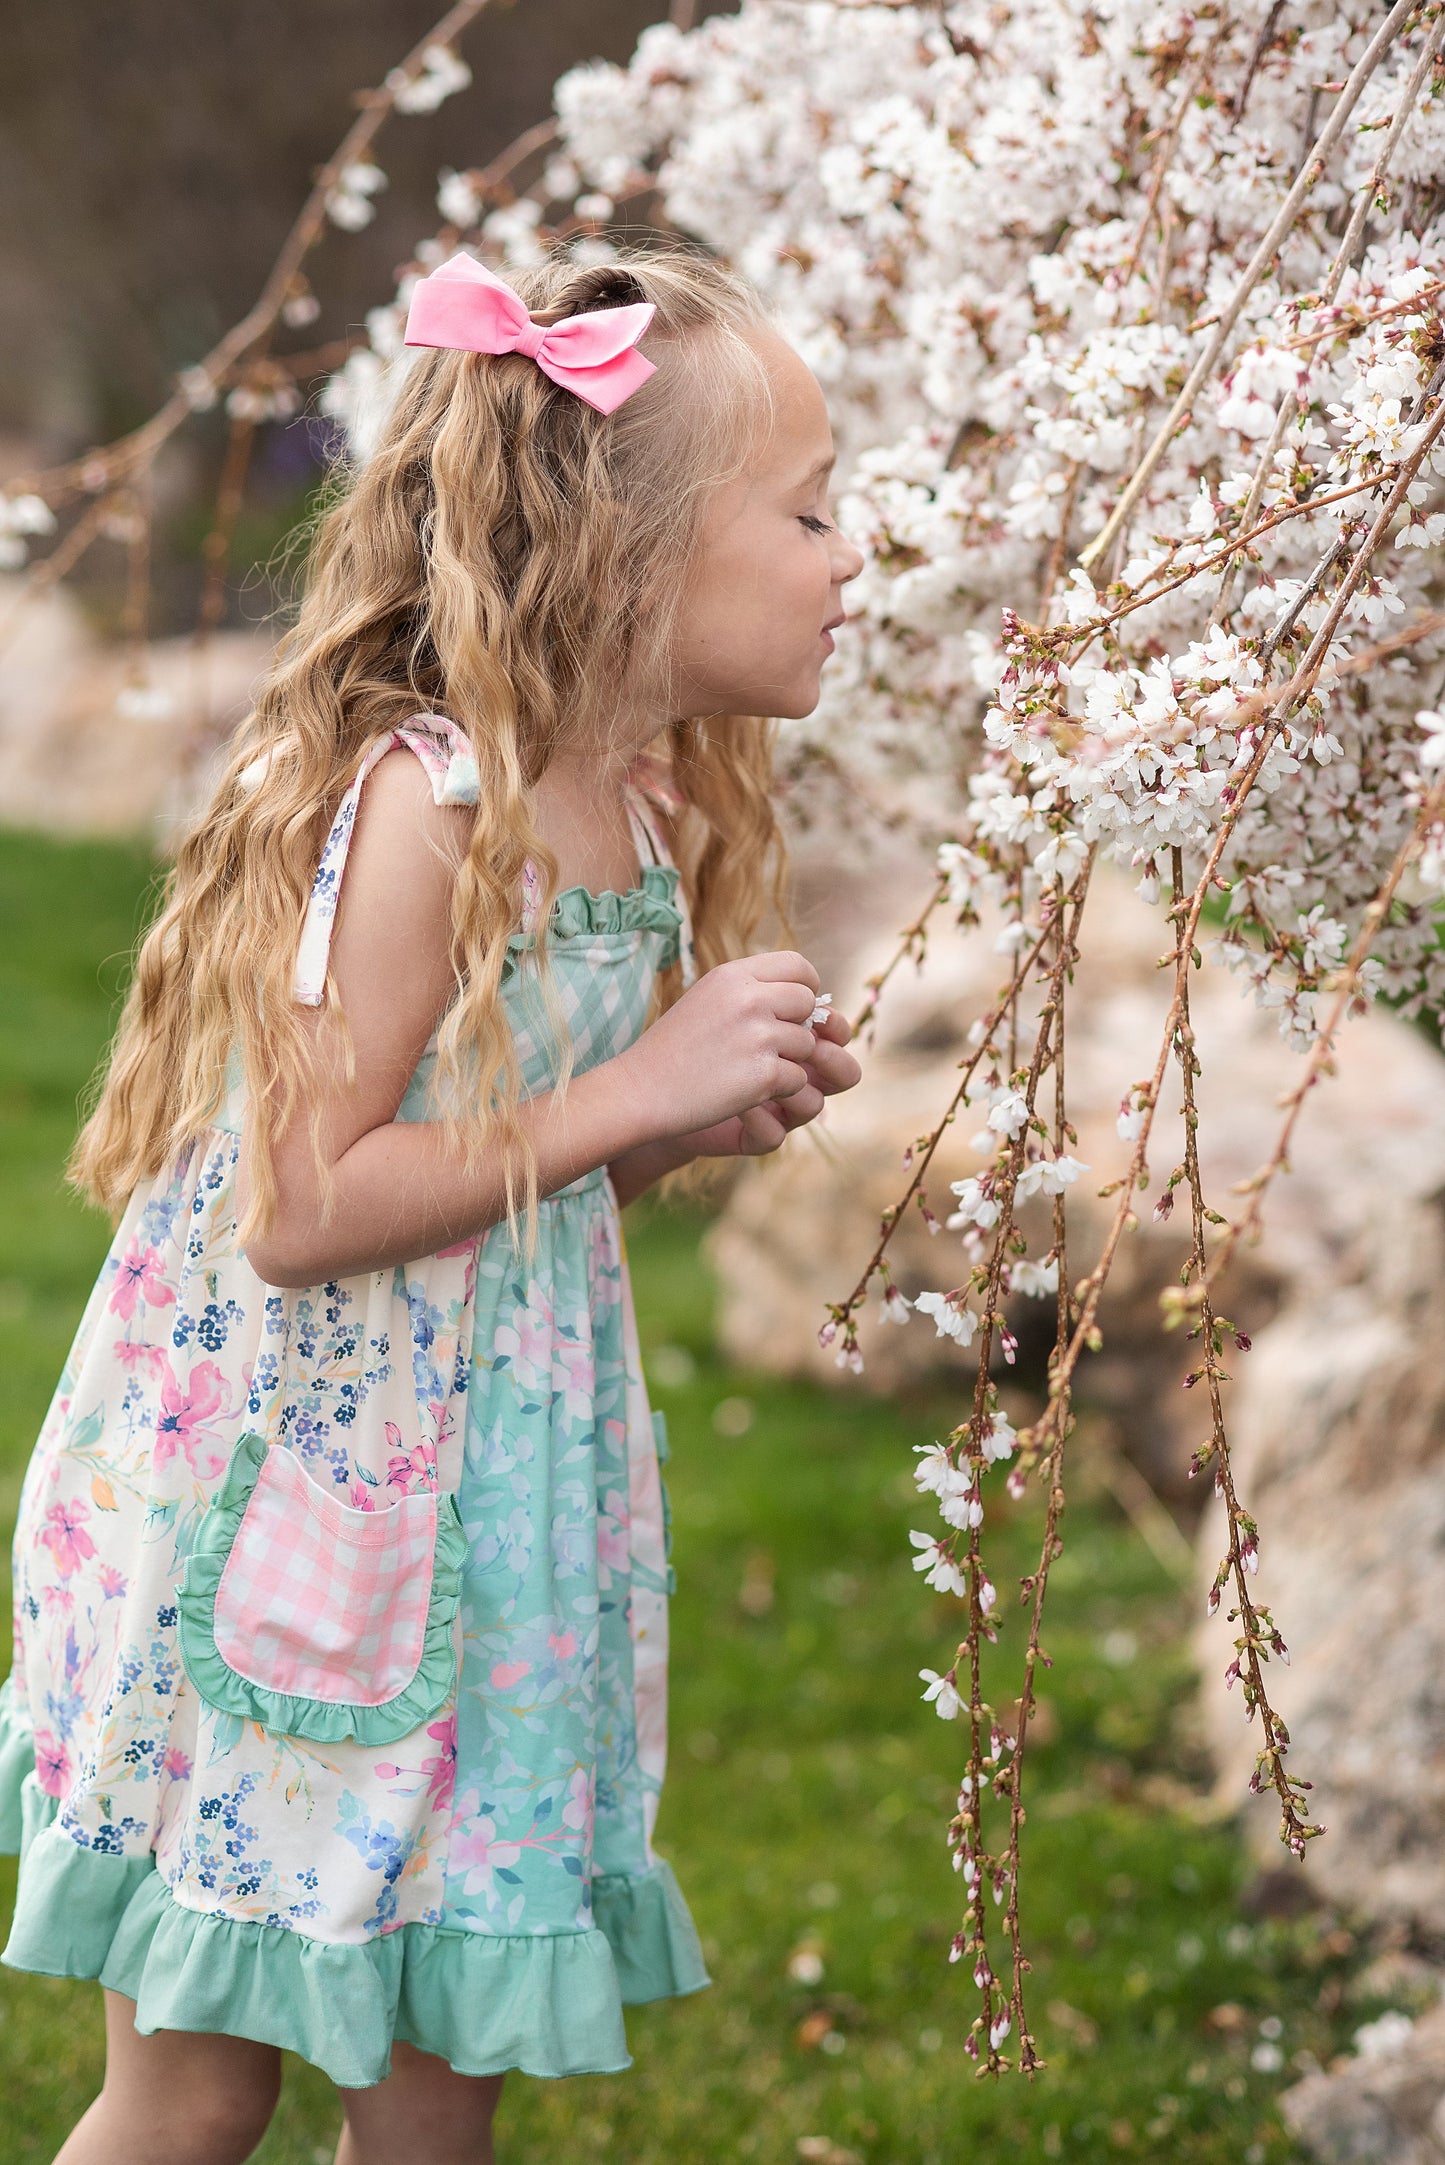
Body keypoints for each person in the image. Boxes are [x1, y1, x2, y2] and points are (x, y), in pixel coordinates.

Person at [0, 245, 863, 2164]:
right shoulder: (426, 806)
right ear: (632, 559)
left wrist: (676, 1126)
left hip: (496, 1538)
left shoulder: (636, 806)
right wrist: (630, 1083)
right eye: (806, 512)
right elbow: (311, 1202)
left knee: (436, 2082)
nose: (848, 557)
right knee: (199, 2082)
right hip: (294, 1512)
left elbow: (520, 1166)